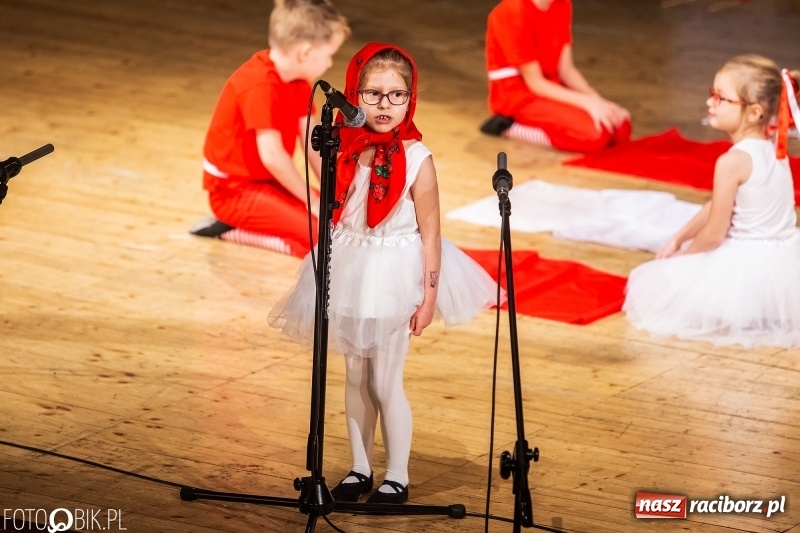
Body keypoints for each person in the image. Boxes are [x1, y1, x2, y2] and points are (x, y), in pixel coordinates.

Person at [268, 43, 499, 504]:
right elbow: (315, 167)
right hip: (351, 266)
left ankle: (397, 473)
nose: (385, 105)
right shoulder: (345, 149)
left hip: (396, 272)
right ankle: (359, 466)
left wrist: (429, 297)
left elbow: (431, 234)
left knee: (383, 380)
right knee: (355, 375)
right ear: (355, 96)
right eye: (373, 94)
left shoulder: (418, 159)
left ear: (410, 99)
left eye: (397, 95)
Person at [624, 54, 800, 347]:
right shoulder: (773, 147)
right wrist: (679, 236)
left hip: (751, 267)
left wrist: (681, 259)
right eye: (712, 94)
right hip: (785, 260)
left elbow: (715, 235)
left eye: (721, 98)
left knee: (662, 283)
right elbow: (719, 203)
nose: (710, 103)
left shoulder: (733, 161)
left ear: (755, 112)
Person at [191, 0, 350, 257]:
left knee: (342, 220)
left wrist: (336, 193)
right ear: (305, 53)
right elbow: (273, 157)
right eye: (329, 54)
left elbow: (313, 145)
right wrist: (314, 203)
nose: (330, 63)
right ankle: (232, 230)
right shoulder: (259, 85)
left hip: (266, 183)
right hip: (233, 194)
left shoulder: (298, 82)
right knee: (321, 240)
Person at [481, 0, 631, 153]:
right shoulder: (515, 10)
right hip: (518, 96)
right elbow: (535, 83)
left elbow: (567, 70)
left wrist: (598, 101)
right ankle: (508, 127)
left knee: (620, 128)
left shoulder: (562, 4)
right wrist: (587, 103)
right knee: (596, 135)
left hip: (550, 88)